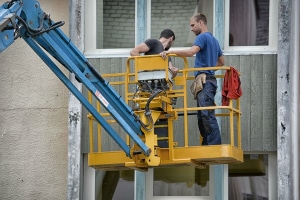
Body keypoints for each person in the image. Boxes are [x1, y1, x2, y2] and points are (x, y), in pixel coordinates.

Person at [160, 13, 224, 145]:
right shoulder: (214, 40)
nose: (191, 28)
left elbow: (191, 52)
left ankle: (213, 145)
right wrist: (209, 69)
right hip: (208, 80)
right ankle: (208, 144)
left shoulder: (202, 37)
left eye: (193, 25)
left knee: (205, 113)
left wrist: (170, 52)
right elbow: (221, 62)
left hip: (205, 80)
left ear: (201, 23)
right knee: (202, 115)